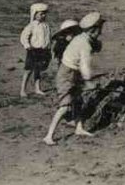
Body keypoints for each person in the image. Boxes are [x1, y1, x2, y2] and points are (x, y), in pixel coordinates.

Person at [43, 11, 104, 145]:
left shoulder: (82, 37)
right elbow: (85, 66)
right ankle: (49, 135)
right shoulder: (85, 45)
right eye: (99, 30)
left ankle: (79, 128)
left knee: (78, 101)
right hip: (66, 74)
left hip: (72, 73)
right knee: (65, 105)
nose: (100, 33)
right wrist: (89, 82)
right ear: (93, 30)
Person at [19, 3, 51, 98]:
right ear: (35, 14)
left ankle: (37, 88)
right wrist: (27, 46)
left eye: (44, 14)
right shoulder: (31, 25)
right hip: (33, 51)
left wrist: (48, 47)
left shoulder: (46, 26)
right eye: (41, 14)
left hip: (43, 51)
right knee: (28, 70)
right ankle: (23, 89)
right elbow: (24, 36)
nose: (43, 16)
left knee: (38, 70)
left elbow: (48, 38)